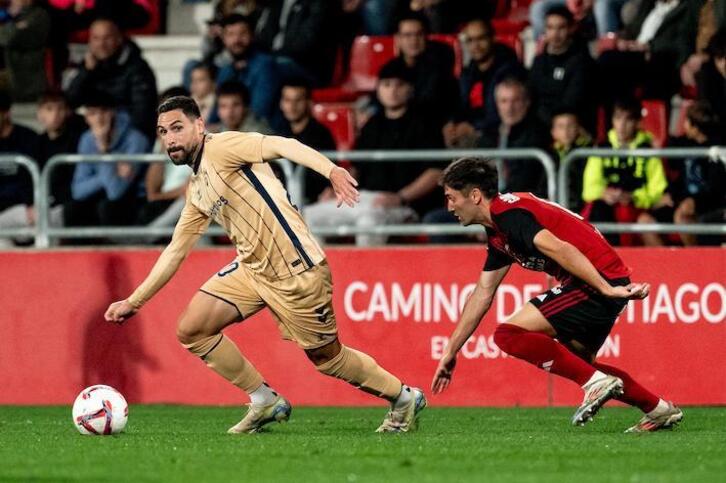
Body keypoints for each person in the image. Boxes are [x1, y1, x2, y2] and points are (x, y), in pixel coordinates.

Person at [103, 96, 426, 434]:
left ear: (200, 125)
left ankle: (403, 398)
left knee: (329, 360)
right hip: (252, 270)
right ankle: (263, 400)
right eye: (162, 132)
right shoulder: (197, 188)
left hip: (296, 270)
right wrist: (134, 301)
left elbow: (281, 144)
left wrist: (330, 170)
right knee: (192, 329)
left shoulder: (223, 146)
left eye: (177, 128)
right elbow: (174, 252)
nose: (169, 138)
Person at [431, 157, 683, 433]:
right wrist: (451, 350)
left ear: (475, 195)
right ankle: (658, 409)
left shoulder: (510, 215)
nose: (449, 207)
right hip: (602, 280)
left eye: (451, 197)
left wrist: (606, 288)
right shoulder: (499, 232)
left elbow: (561, 249)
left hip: (595, 280)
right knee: (584, 365)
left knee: (508, 335)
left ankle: (597, 384)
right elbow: (483, 292)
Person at [303, 62, 444, 246]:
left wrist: (400, 197)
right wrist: (339, 189)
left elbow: (435, 172)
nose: (392, 91)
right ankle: (323, 274)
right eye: (386, 85)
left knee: (368, 221)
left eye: (399, 85)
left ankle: (365, 274)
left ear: (410, 89)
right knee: (309, 216)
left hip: (404, 205)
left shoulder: (426, 124)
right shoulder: (372, 125)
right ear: (378, 89)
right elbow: (356, 168)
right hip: (365, 198)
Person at [581, 98, 668, 245]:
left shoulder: (648, 151)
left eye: (628, 120)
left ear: (637, 123)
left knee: (642, 220)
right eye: (618, 118)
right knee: (596, 209)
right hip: (606, 208)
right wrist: (603, 193)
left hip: (637, 208)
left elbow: (657, 191)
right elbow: (588, 189)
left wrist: (633, 197)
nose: (622, 125)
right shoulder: (601, 149)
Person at [64, 91, 149, 228]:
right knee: (72, 209)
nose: (98, 119)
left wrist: (103, 150)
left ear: (113, 113)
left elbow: (115, 191)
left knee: (107, 207)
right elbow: (78, 190)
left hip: (132, 198)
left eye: (103, 112)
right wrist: (112, 169)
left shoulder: (135, 140)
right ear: (86, 118)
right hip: (102, 194)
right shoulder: (87, 139)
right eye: (92, 113)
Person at [64, 18, 158, 142]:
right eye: (96, 38)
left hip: (126, 138)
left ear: (119, 39)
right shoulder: (87, 66)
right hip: (92, 136)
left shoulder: (138, 69)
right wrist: (86, 72)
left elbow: (142, 115)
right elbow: (70, 102)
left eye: (107, 38)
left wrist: (111, 132)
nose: (101, 44)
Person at [444, 18, 522, 148]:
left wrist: (474, 128)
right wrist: (451, 124)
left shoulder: (511, 70)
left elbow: (507, 113)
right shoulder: (467, 73)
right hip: (469, 132)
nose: (476, 46)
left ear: (492, 38)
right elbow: (457, 105)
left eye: (481, 39)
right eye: (470, 40)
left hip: (495, 135)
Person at [479, 77, 551, 196]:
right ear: (497, 104)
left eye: (516, 100)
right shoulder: (489, 134)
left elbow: (524, 180)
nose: (509, 108)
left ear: (527, 102)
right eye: (504, 101)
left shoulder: (536, 135)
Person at [529, 6, 597, 132]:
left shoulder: (582, 62)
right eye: (550, 28)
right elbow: (531, 96)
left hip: (572, 129)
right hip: (539, 127)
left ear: (571, 28)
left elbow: (571, 102)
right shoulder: (538, 62)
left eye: (561, 28)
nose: (555, 34)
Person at [275, 79, 336, 204]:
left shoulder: (322, 135)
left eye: (298, 100)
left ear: (309, 103)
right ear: (281, 103)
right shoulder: (278, 134)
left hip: (316, 203)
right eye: (287, 100)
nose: (292, 106)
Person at [213, 14, 281, 123]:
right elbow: (216, 110)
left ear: (252, 36)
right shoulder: (225, 69)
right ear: (224, 39)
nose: (237, 39)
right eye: (231, 34)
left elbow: (259, 113)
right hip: (233, 130)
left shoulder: (265, 65)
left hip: (263, 132)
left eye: (242, 33)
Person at [0, 0, 50, 102]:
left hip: (29, 81)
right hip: (10, 79)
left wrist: (10, 28)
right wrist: (16, 26)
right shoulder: (8, 16)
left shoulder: (39, 15)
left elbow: (9, 39)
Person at [208, 81, 272, 135]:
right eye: (223, 106)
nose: (230, 111)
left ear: (246, 107)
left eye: (236, 105)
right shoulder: (215, 132)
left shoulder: (259, 134)